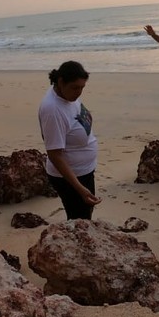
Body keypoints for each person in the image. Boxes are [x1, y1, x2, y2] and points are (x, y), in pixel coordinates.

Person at [38, 60, 101, 219]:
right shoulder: (52, 110)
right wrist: (79, 189)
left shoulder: (67, 95)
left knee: (85, 215)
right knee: (79, 221)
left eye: (82, 87)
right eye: (75, 87)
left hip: (84, 170)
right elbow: (54, 155)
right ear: (60, 82)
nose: (79, 92)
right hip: (71, 177)